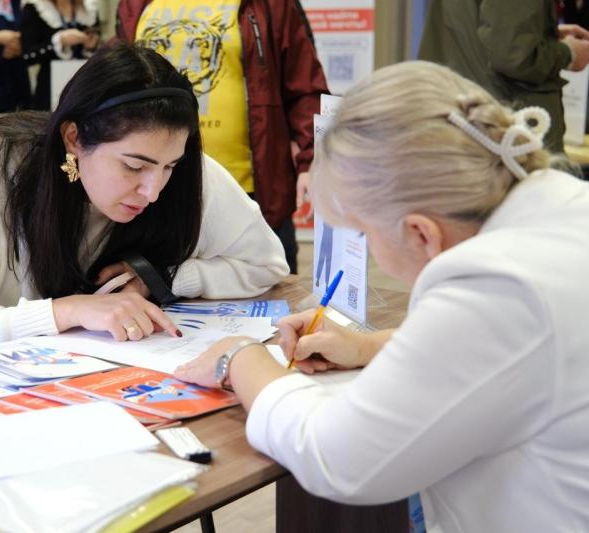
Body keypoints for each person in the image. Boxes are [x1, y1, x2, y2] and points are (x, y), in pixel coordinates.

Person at [175, 61, 589, 531]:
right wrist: (371, 345)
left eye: (366, 234)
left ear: (420, 233)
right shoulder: (562, 206)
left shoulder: (497, 283)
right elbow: (514, 353)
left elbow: (337, 458)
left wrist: (242, 359)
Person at [0, 44, 289, 369]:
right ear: (74, 139)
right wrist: (71, 309)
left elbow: (267, 264)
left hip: (64, 372)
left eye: (170, 167)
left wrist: (165, 277)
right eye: (133, 166)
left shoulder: (181, 171)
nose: (154, 190)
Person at [116, 0, 328, 273]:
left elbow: (305, 87)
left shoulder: (270, 4)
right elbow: (119, 85)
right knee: (152, 292)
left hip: (252, 189)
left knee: (268, 292)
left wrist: (313, 158)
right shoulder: (134, 5)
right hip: (157, 189)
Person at [418, 0, 589, 153]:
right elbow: (514, 56)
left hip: (470, 125)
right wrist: (568, 53)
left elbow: (493, 30)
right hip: (508, 141)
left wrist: (540, 31)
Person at [21, 0, 100, 110]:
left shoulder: (88, 8)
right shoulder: (35, 7)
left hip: (84, 82)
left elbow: (96, 45)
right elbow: (27, 55)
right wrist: (59, 41)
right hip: (50, 87)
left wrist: (91, 45)